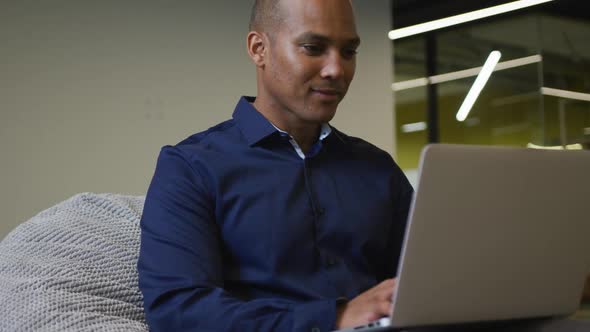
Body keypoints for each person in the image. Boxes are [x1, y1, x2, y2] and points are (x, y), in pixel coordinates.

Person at [137, 0, 413, 331]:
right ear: (259, 49)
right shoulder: (190, 167)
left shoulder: (379, 169)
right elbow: (177, 311)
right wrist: (335, 319)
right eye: (314, 47)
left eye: (349, 51)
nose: (336, 69)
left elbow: (424, 281)